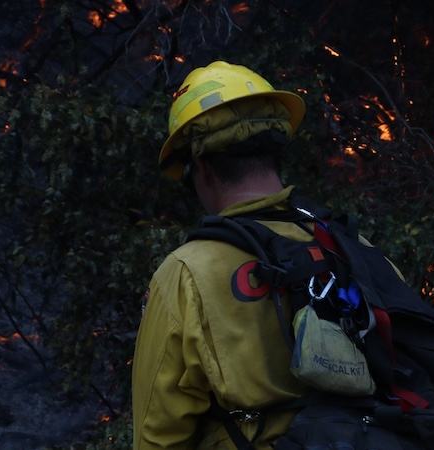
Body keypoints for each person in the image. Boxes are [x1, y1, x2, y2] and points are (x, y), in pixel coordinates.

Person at [132, 61, 312, 450]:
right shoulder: (354, 249)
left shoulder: (185, 275)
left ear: (199, 166)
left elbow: (158, 436)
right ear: (275, 149)